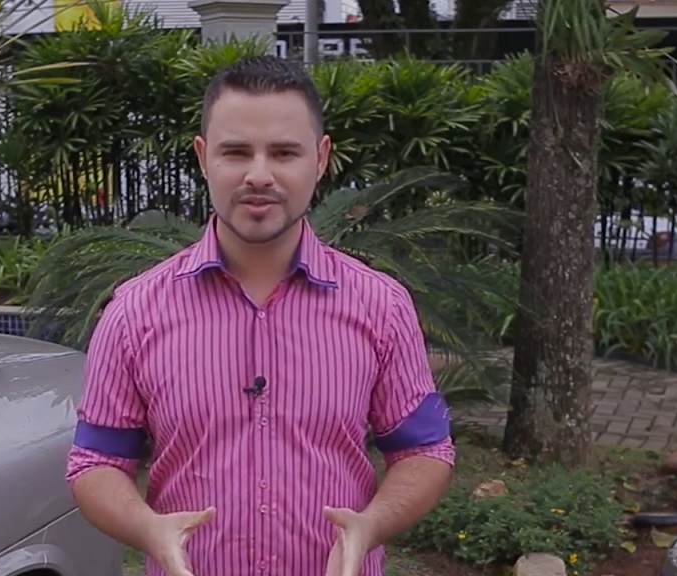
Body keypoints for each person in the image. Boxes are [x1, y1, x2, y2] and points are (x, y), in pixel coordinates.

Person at [66, 55, 454, 576]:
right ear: (203, 157)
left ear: (320, 158)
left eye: (284, 152)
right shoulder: (134, 314)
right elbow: (95, 462)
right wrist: (145, 528)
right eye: (236, 152)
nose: (259, 175)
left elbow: (425, 450)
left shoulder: (381, 307)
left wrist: (372, 524)